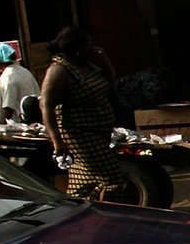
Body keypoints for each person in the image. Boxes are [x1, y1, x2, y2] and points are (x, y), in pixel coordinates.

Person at [42, 24, 136, 202]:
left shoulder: (86, 65)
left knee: (84, 181)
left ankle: (73, 211)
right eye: (88, 46)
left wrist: (104, 59)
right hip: (80, 135)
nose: (92, 49)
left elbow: (109, 82)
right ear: (77, 49)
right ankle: (107, 216)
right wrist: (57, 141)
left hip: (99, 131)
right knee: (112, 179)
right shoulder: (59, 70)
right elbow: (46, 106)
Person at [0, 41, 41, 122]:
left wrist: (4, 127)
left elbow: (8, 107)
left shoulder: (8, 77)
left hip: (18, 126)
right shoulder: (24, 71)